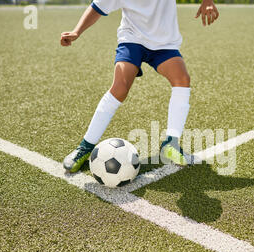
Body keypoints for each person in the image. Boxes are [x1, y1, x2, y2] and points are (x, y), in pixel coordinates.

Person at [61, 0, 219, 173]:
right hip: (132, 41)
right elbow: (97, 8)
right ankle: (85, 147)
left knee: (182, 80)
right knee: (120, 88)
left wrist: (208, 1)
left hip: (164, 44)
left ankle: (171, 143)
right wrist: (77, 31)